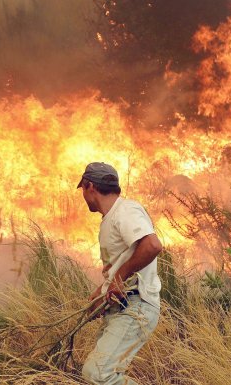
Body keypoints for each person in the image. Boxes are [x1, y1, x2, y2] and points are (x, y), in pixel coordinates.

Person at [77, 162, 163, 385]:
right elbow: (122, 265)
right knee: (97, 375)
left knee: (98, 374)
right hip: (122, 306)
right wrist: (102, 291)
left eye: (83, 190)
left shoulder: (126, 210)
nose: (83, 195)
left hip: (137, 306)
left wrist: (117, 278)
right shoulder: (111, 218)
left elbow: (152, 245)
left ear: (90, 186)